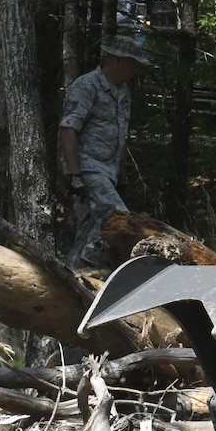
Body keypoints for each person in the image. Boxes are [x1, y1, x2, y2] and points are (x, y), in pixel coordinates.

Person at [60, 33, 149, 267]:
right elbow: (69, 129)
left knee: (90, 228)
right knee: (118, 220)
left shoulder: (123, 92)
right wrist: (75, 175)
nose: (135, 71)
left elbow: (121, 136)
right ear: (118, 60)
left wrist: (122, 178)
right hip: (88, 168)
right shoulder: (87, 86)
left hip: (107, 171)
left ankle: (73, 275)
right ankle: (105, 270)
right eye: (132, 64)